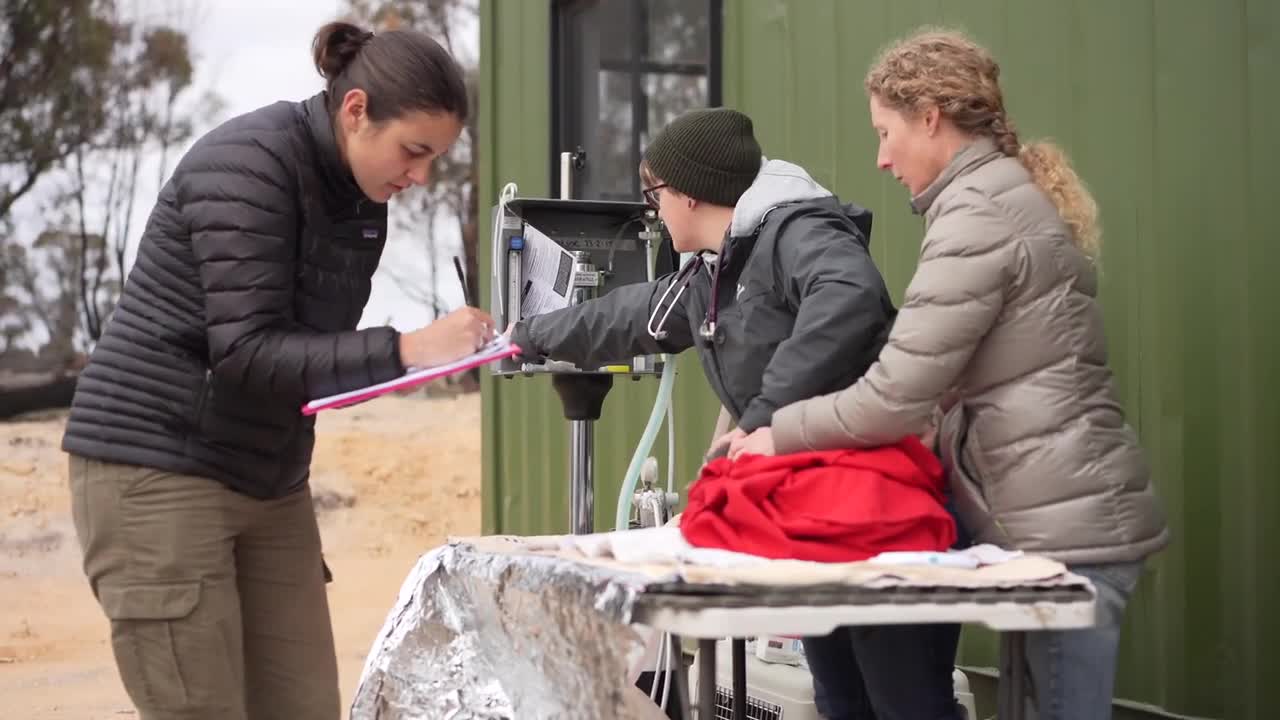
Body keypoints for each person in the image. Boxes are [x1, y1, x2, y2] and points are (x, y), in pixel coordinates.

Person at [729, 29, 1170, 720]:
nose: (880, 158)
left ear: (930, 117)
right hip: (1060, 533)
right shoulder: (992, 199)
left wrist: (777, 432)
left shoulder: (978, 215)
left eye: (885, 132)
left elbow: (900, 393)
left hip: (1068, 540)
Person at [60, 21, 493, 720]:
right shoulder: (247, 164)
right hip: (157, 471)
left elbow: (309, 364)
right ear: (355, 111)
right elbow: (247, 353)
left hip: (270, 479)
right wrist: (409, 348)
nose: (421, 177)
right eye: (414, 152)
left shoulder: (362, 202)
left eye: (434, 159)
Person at [508, 107, 963, 720]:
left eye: (655, 194)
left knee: (907, 704)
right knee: (840, 700)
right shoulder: (711, 272)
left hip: (878, 511)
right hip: (811, 516)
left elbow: (850, 296)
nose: (654, 211)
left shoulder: (796, 230)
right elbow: (626, 316)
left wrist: (763, 417)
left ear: (691, 195)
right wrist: (524, 336)